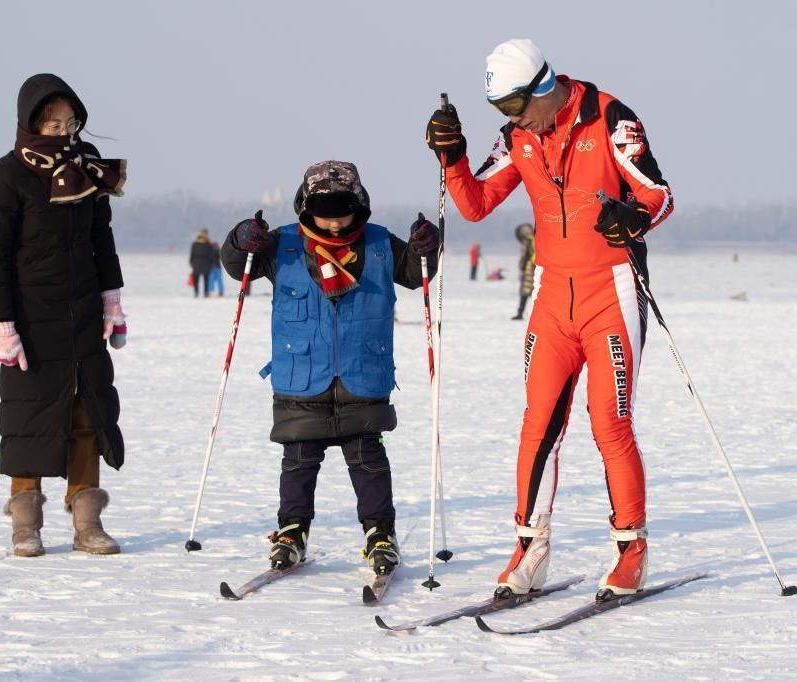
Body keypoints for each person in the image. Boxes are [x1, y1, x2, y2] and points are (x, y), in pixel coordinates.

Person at [426, 38, 674, 599]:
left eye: (515, 108)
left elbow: (658, 193)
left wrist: (631, 218)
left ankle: (630, 548)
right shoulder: (518, 136)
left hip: (611, 291)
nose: (513, 122)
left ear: (544, 86)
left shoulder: (612, 117)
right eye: (501, 114)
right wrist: (453, 156)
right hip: (551, 296)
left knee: (609, 422)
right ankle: (530, 547)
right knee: (539, 423)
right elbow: (476, 203)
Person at [221, 160, 439, 576]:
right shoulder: (280, 243)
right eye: (327, 216)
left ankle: (379, 535)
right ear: (305, 208)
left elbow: (415, 273)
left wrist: (428, 246)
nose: (337, 226)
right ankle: (291, 531)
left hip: (363, 371)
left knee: (368, 459)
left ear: (360, 207)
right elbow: (236, 267)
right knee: (299, 459)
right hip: (301, 374)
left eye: (345, 216)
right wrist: (238, 240)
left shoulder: (377, 244)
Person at [0, 73, 128, 557]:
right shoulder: (9, 174)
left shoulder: (86, 171)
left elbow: (100, 239)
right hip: (29, 318)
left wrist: (111, 299)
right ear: (30, 122)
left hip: (82, 312)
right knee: (30, 417)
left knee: (89, 414)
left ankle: (87, 522)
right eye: (53, 122)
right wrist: (1, 323)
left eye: (70, 122)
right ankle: (26, 523)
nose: (63, 131)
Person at [512, 223, 535, 320]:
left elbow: (524, 255)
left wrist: (522, 267)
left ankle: (520, 313)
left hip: (529, 268)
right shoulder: (536, 237)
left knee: (525, 292)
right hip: (539, 266)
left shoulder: (527, 240)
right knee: (537, 292)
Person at [189, 229, 214, 297]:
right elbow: (211, 255)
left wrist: (191, 263)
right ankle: (206, 293)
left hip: (196, 264)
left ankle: (196, 292)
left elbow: (192, 254)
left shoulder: (195, 244)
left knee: (196, 280)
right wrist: (212, 264)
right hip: (206, 264)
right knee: (206, 280)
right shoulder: (208, 244)